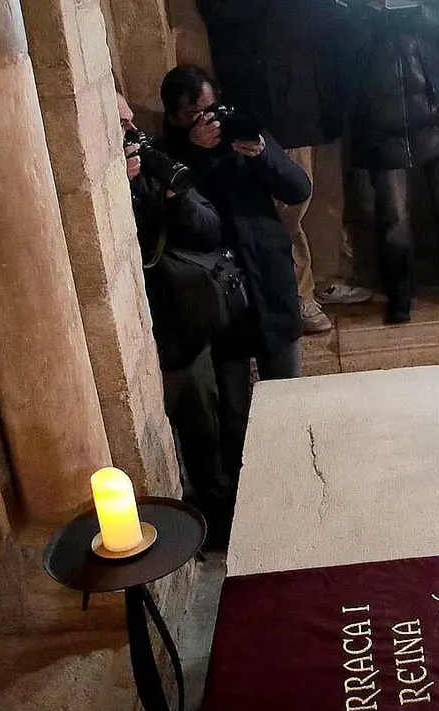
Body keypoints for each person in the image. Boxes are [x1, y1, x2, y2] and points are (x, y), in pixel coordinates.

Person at [160, 65, 313, 484]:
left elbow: (298, 188)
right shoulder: (169, 158)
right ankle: (246, 492)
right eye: (193, 115)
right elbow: (186, 223)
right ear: (174, 117)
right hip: (220, 298)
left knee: (289, 398)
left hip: (271, 282)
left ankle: (297, 479)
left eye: (209, 108)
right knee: (234, 413)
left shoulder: (241, 132)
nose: (206, 120)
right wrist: (194, 155)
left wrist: (262, 154)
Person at [197, 0, 371, 334]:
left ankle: (326, 280)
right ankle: (299, 295)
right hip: (280, 112)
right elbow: (218, 14)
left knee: (326, 204)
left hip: (321, 106)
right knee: (290, 211)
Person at [120, 93, 236, 540]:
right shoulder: (101, 185)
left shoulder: (152, 167)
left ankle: (218, 527)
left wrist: (174, 198)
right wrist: (120, 190)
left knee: (205, 437)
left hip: (183, 335)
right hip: (135, 348)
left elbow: (210, 229)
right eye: (119, 124)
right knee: (153, 453)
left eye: (130, 120)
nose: (132, 132)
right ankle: (171, 534)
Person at [344, 0, 439, 324]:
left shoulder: (434, 8)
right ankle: (399, 296)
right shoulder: (359, 11)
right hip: (383, 124)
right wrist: (370, 11)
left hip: (437, 116)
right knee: (394, 218)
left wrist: (418, 8)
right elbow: (348, 50)